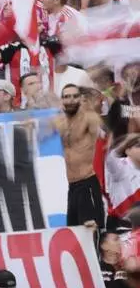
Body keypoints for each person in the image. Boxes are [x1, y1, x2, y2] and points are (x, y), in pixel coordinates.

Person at [56, 84, 106, 231]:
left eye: (75, 96)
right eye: (66, 96)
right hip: (72, 188)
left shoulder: (89, 119)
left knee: (92, 236)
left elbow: (97, 125)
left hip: (87, 184)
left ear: (81, 99)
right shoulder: (62, 122)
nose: (71, 100)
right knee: (74, 237)